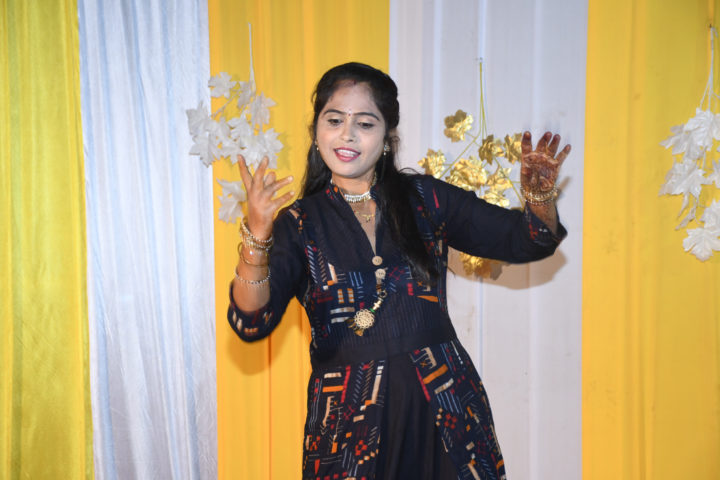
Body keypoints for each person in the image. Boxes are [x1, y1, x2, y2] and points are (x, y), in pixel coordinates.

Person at [228, 62, 570, 480]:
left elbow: (530, 239)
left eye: (364, 123)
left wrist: (539, 198)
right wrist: (257, 237)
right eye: (334, 120)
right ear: (316, 133)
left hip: (446, 411)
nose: (347, 134)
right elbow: (251, 319)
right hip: (348, 427)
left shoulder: (425, 199)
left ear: (388, 138)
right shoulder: (298, 223)